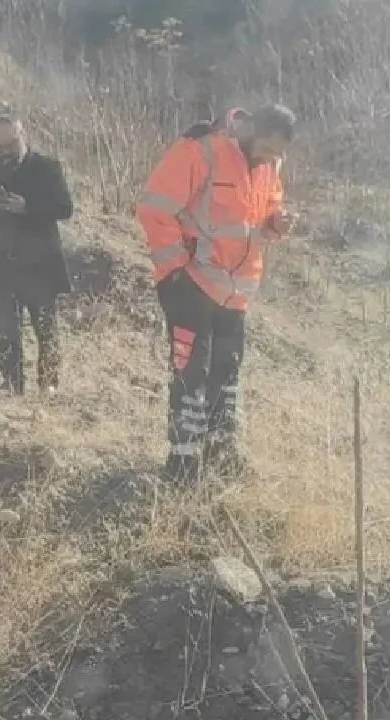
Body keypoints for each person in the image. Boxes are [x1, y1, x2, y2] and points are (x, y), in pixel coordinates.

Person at [135, 105, 297, 484]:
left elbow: (263, 213)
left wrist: (277, 223)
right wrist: (175, 271)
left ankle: (220, 454)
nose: (274, 159)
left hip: (236, 295)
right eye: (269, 149)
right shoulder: (200, 151)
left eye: (279, 154)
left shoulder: (270, 166)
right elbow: (152, 207)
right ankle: (182, 463)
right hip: (191, 287)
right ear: (250, 128)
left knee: (226, 375)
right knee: (192, 374)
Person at [0, 116, 74, 396]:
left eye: (9, 144)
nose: (4, 152)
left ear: (22, 135)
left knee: (45, 329)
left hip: (38, 265)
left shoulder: (46, 168)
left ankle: (49, 384)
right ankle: (12, 385)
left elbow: (64, 208)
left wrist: (28, 208)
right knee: (6, 332)